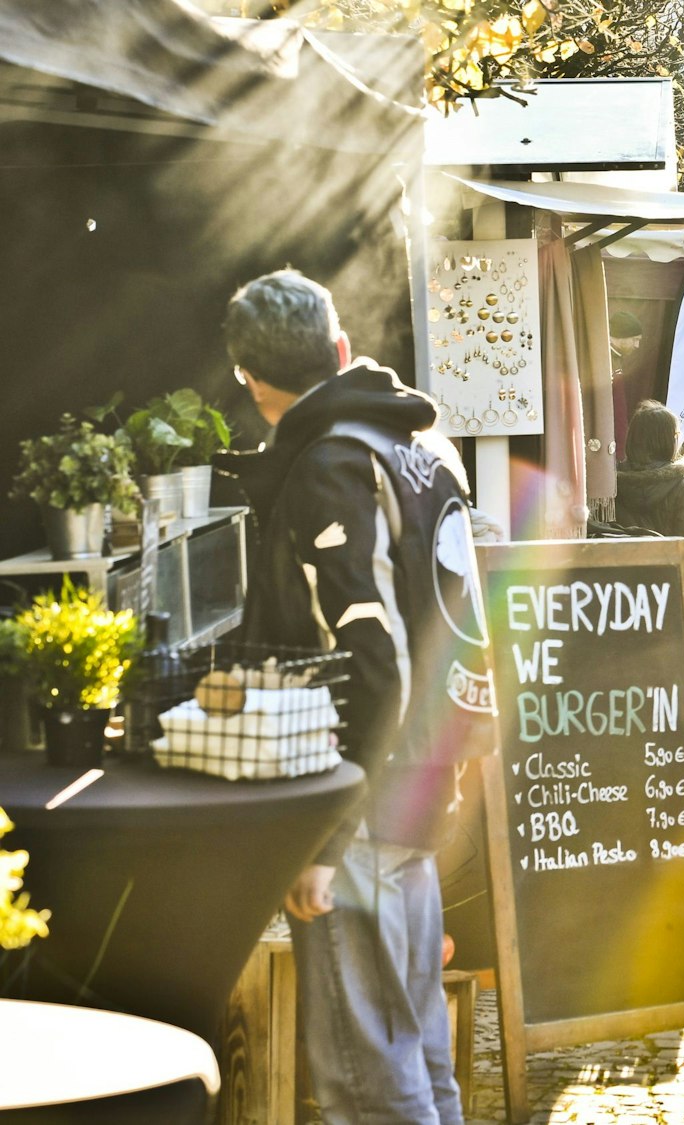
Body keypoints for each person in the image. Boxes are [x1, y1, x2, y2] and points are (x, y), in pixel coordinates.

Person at [222, 270, 493, 1124]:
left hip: (363, 807)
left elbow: (374, 663)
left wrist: (324, 840)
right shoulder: (421, 442)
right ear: (340, 349)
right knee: (417, 1051)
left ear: (251, 381)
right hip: (420, 784)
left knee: (368, 1075)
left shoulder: (331, 466)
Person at [617, 401, 684, 540]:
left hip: (619, 560)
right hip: (667, 561)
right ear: (668, 440)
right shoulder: (681, 486)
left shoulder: (612, 483)